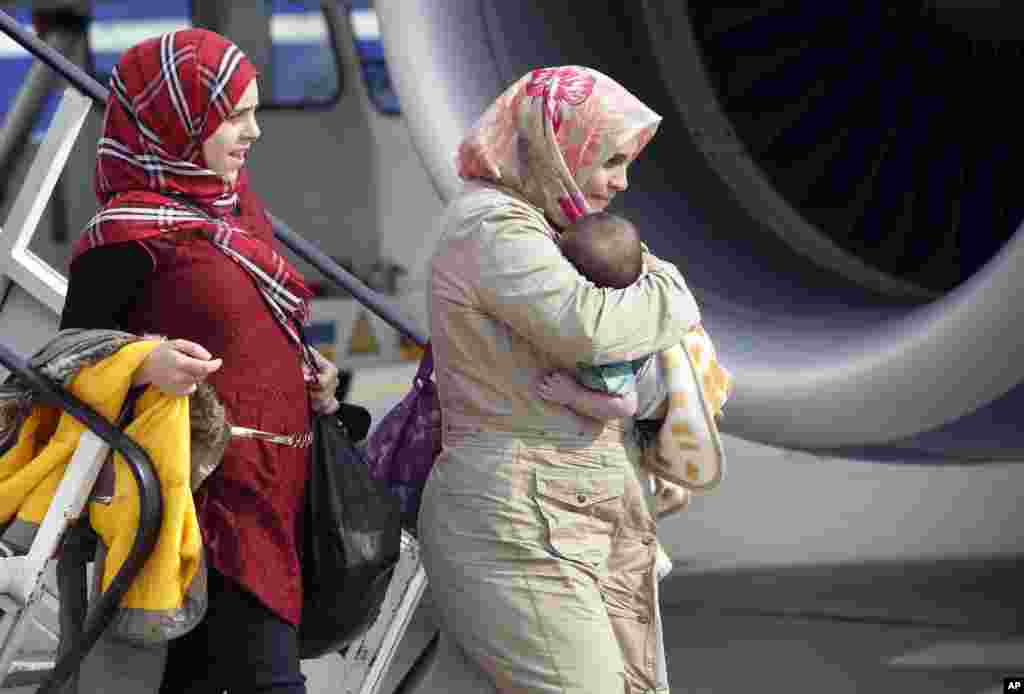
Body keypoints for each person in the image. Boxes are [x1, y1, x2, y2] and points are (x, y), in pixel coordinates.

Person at [59, 29, 340, 693]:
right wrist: (144, 359)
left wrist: (308, 371)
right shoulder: (125, 235)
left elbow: (246, 327)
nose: (254, 133)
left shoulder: (237, 209)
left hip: (276, 493)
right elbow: (64, 362)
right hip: (204, 507)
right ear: (177, 121)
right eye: (234, 115)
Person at [420, 65, 702, 694]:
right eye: (609, 160)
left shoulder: (550, 225)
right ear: (557, 145)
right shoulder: (492, 228)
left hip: (569, 498)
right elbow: (594, 329)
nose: (620, 182)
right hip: (521, 508)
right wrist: (674, 288)